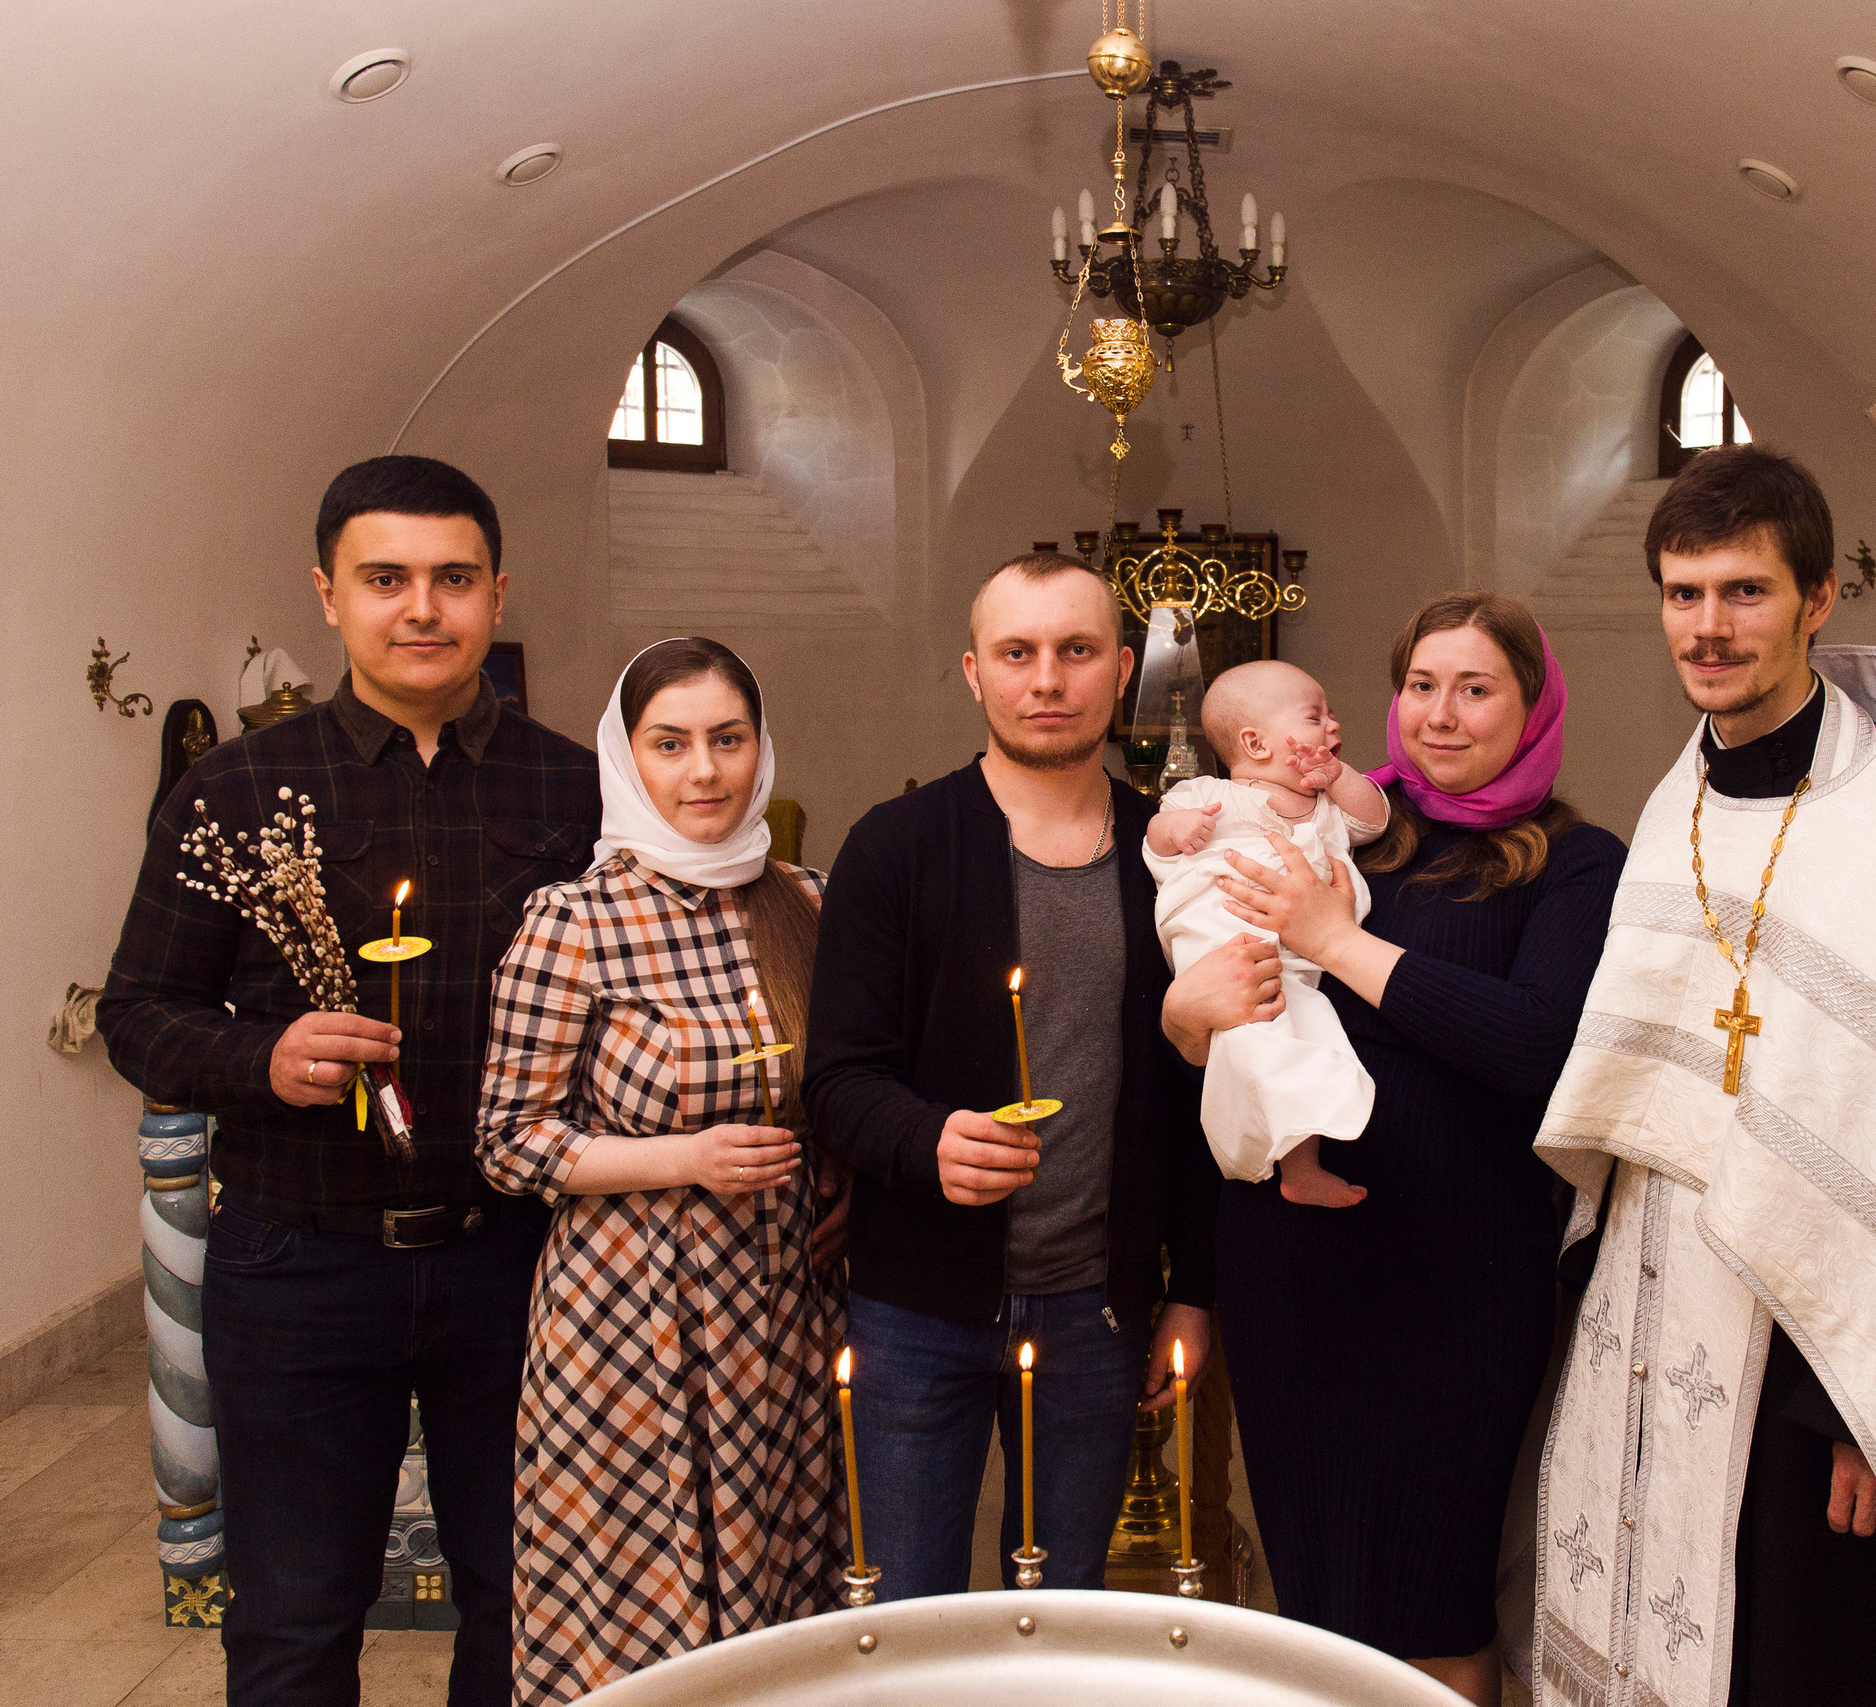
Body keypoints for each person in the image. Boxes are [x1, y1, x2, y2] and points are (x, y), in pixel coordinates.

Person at [1530, 445, 1876, 1706]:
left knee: (1800, 1650)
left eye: (1744, 592)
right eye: (1683, 594)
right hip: (1658, 1302)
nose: (1709, 629)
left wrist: (1858, 1413)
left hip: (1818, 1355)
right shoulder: (1681, 801)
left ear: (1819, 599)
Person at [99, 456, 600, 1706]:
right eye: (386, 579)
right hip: (300, 1261)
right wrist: (258, 1059)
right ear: (329, 595)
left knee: (522, 1592)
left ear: (497, 592)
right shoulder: (234, 790)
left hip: (521, 1257)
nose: (420, 609)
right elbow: (138, 1016)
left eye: (452, 579)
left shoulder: (581, 789)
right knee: (295, 1610)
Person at [1175, 590, 1627, 1706]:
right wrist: (1184, 1012)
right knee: (1318, 1605)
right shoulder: (1314, 818)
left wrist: (1339, 941)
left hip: (1462, 1282)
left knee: (1437, 1596)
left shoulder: (1574, 863)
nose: (1439, 714)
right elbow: (1206, 1019)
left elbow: (1535, 1046)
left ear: (1533, 705)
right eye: (1420, 685)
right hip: (1293, 1276)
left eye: (1475, 689)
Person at [803, 550, 1241, 1599]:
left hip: (1097, 1309)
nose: (1046, 680)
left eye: (1076, 651)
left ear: (1122, 669)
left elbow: (1203, 1099)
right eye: (1017, 653)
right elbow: (838, 1081)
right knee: (905, 1612)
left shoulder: (1171, 856)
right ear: (973, 672)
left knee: (1063, 1607)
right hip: (917, 1307)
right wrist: (928, 1141)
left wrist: (1191, 1292)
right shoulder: (898, 847)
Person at [476, 638, 852, 1702]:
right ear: (625, 756)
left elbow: (848, 1086)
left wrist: (847, 1180)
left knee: (784, 1578)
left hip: (786, 1306)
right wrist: (682, 1157)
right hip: (631, 1319)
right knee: (652, 1606)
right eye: (671, 744)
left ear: (760, 748)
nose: (704, 772)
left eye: (728, 741)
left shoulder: (810, 901)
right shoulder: (575, 921)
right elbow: (509, 1140)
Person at [1144, 659, 1388, 1208]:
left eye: (1330, 716)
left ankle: (1300, 1167)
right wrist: (1177, 830)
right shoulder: (1205, 794)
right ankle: (1276, 1159)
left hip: (1296, 959)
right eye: (1314, 716)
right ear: (1256, 744)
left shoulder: (1327, 805)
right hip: (1223, 942)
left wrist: (1340, 776)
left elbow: (1375, 821)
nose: (1333, 726)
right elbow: (1156, 841)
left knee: (1305, 1034)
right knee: (1259, 1038)